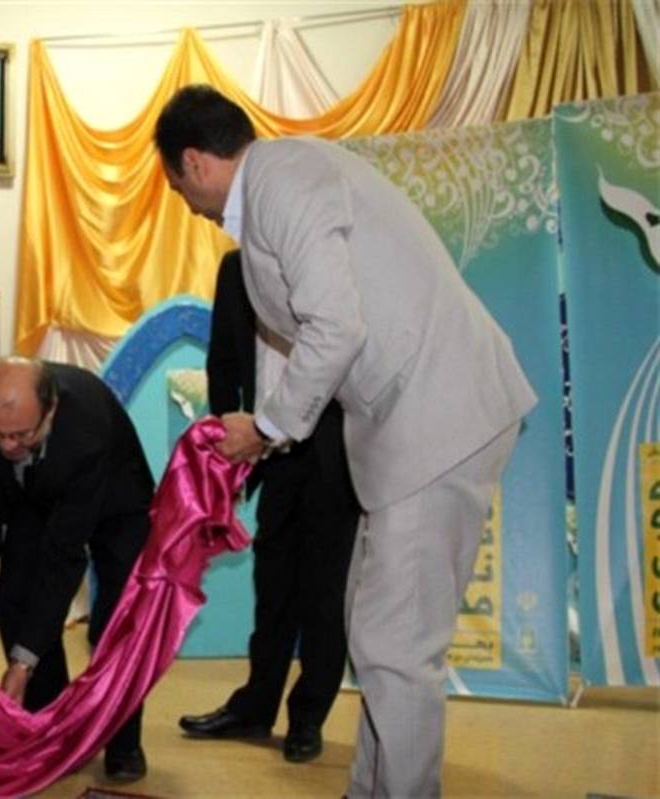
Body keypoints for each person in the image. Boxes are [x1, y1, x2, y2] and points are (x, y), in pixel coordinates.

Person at [155, 85, 537, 797]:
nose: (186, 203)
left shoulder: (283, 179)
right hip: (410, 427)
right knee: (376, 632)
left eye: (178, 187)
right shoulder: (280, 186)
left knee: (397, 645)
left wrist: (265, 427)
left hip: (437, 417)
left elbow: (335, 328)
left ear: (195, 162)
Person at [178, 251, 360, 763]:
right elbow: (222, 360)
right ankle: (256, 708)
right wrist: (226, 446)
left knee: (323, 594)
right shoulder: (235, 267)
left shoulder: (323, 257)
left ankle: (308, 717)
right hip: (266, 446)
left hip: (332, 448)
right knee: (272, 588)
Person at [0, 357, 151, 782]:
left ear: (51, 409)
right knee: (14, 594)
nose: (8, 446)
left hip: (118, 503)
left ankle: (122, 742)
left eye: (21, 434)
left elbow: (63, 559)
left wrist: (20, 664)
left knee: (118, 621)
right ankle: (52, 732)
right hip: (36, 490)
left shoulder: (85, 434)